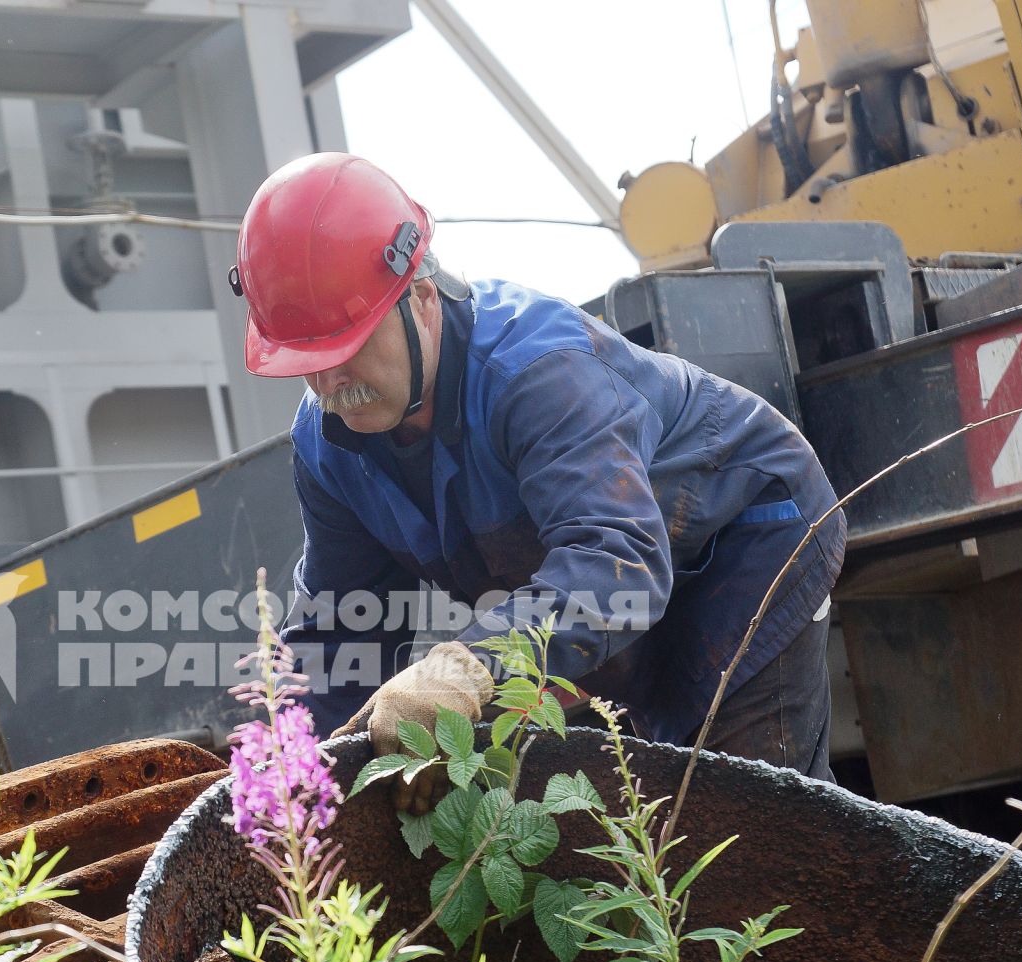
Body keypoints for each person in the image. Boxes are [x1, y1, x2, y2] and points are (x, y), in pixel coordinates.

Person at [233, 153, 846, 804]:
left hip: (746, 543)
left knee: (749, 827)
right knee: (669, 816)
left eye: (346, 349)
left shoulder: (538, 373)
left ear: (420, 297)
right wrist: (283, 770)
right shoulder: (328, 446)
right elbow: (338, 631)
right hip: (630, 591)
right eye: (308, 363)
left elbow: (618, 564)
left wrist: (470, 667)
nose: (331, 385)